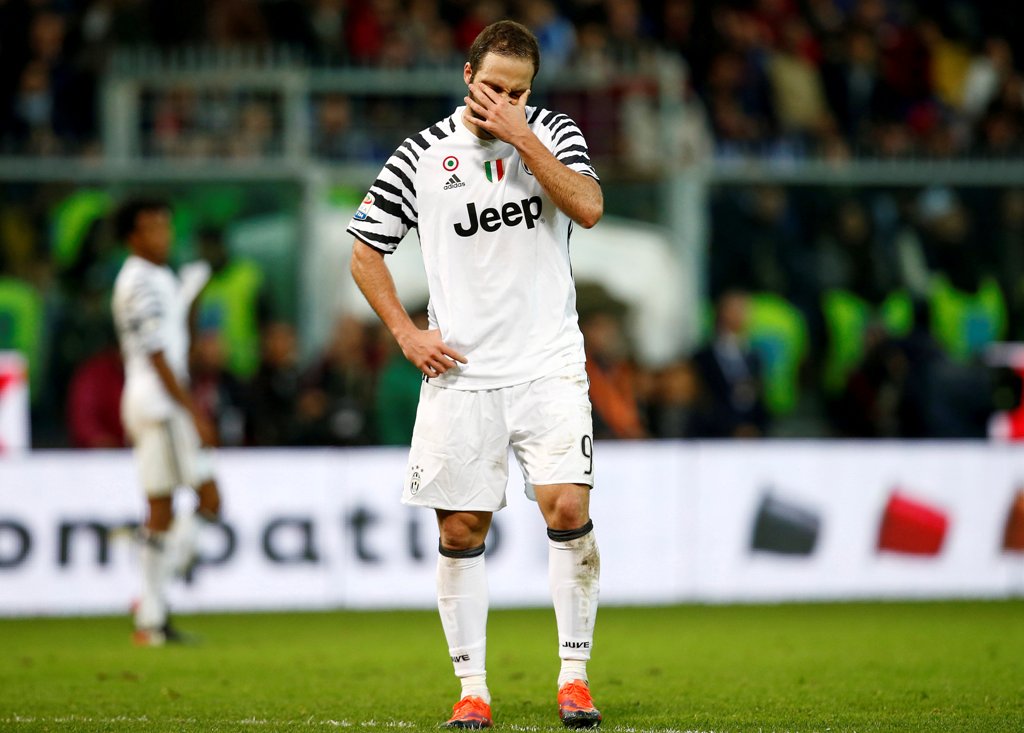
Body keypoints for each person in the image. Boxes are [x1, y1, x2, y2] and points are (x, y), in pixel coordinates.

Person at [348, 20, 603, 730]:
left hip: (549, 363)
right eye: (493, 87)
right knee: (461, 530)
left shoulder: (553, 132)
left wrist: (523, 137)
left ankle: (574, 678)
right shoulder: (420, 156)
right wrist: (406, 332)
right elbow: (366, 251)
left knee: (567, 510)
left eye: (518, 91)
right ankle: (473, 689)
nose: (504, 100)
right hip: (464, 375)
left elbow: (587, 206)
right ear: (467, 77)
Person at [110, 198, 223, 646]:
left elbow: (177, 339)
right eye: (152, 228)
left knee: (160, 508)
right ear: (132, 238)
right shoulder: (139, 281)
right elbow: (157, 354)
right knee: (209, 498)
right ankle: (155, 579)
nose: (163, 234)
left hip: (154, 399)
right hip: (160, 402)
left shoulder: (157, 277)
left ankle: (152, 619)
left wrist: (190, 296)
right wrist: (192, 411)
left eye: (165, 225)